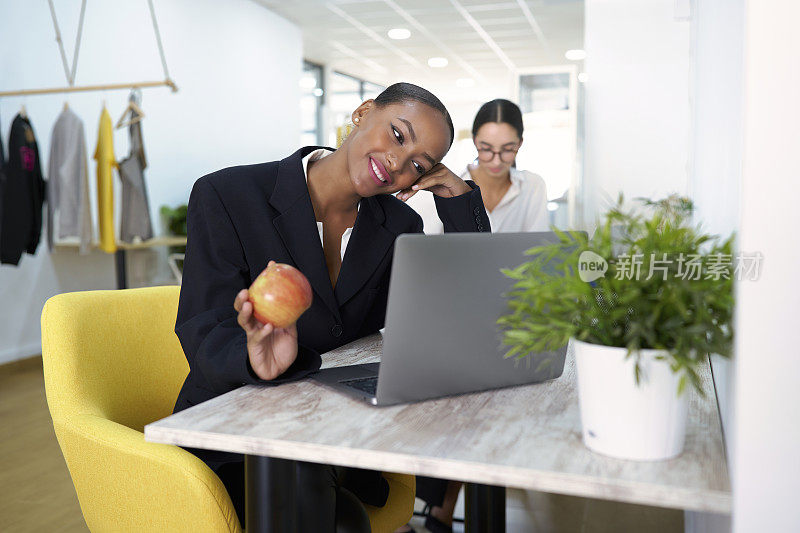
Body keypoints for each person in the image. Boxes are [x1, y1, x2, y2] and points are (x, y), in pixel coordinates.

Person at [172, 82, 490, 532]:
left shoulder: (399, 223)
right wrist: (257, 358)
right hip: (237, 436)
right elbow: (203, 326)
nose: (398, 163)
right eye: (397, 135)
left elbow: (457, 314)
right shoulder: (228, 194)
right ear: (362, 113)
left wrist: (460, 206)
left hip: (337, 435)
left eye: (418, 164)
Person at [398, 99, 549, 533]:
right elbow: (428, 256)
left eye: (507, 149)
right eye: (486, 149)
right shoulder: (446, 185)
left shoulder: (532, 187)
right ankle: (434, 507)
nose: (496, 160)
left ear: (520, 145)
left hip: (506, 312)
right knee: (457, 402)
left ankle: (441, 509)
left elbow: (534, 256)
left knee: (488, 407)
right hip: (450, 311)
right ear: (474, 143)